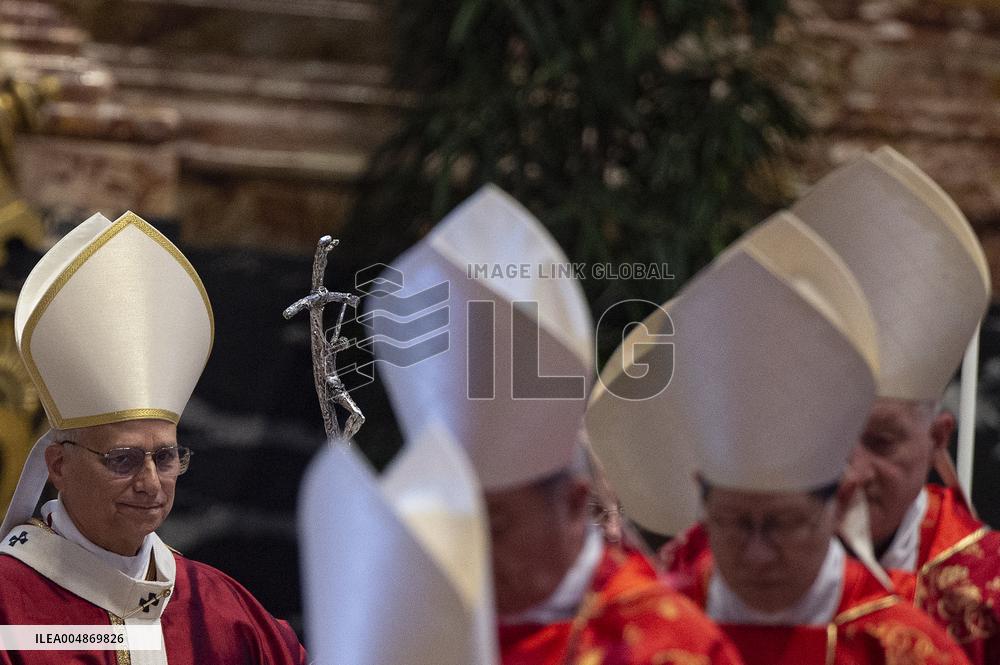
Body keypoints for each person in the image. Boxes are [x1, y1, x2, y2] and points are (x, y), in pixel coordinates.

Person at [370, 185, 745, 664]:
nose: (470, 553)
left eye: (496, 526)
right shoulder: (416, 636)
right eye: (454, 523)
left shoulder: (667, 646)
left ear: (572, 504)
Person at [587, 212, 972, 664]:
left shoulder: (902, 649)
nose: (757, 555)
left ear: (840, 503)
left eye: (781, 524)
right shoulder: (644, 632)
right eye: (734, 523)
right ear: (703, 505)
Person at [0, 211, 306, 664]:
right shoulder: (12, 612)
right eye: (122, 460)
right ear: (59, 466)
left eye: (164, 458)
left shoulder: (222, 611)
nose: (150, 484)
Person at [789, 147, 999, 663]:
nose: (851, 471)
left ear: (937, 440)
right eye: (830, 437)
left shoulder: (988, 591)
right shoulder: (730, 565)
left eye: (881, 442)